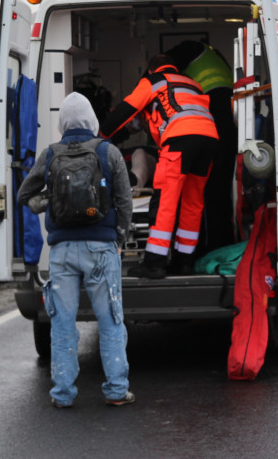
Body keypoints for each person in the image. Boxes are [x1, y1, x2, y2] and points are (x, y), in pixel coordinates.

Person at [17, 92, 135, 408]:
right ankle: (115, 391)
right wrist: (119, 240)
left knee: (63, 324)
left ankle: (63, 394)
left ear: (62, 123)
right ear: (92, 120)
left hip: (62, 252)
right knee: (110, 322)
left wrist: (43, 202)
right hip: (101, 249)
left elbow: (23, 194)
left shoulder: (50, 154)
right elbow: (124, 201)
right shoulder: (109, 153)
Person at [100, 54, 219, 278]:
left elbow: (125, 110)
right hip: (209, 138)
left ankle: (154, 263)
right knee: (192, 203)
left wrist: (101, 136)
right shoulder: (192, 84)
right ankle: (184, 262)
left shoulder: (154, 81)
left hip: (180, 138)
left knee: (165, 200)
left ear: (151, 70)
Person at [165, 40, 237, 250]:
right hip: (225, 124)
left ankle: (205, 247)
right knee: (221, 190)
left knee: (204, 191)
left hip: (209, 121)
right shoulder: (215, 56)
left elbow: (163, 69)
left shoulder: (189, 49)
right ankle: (221, 242)